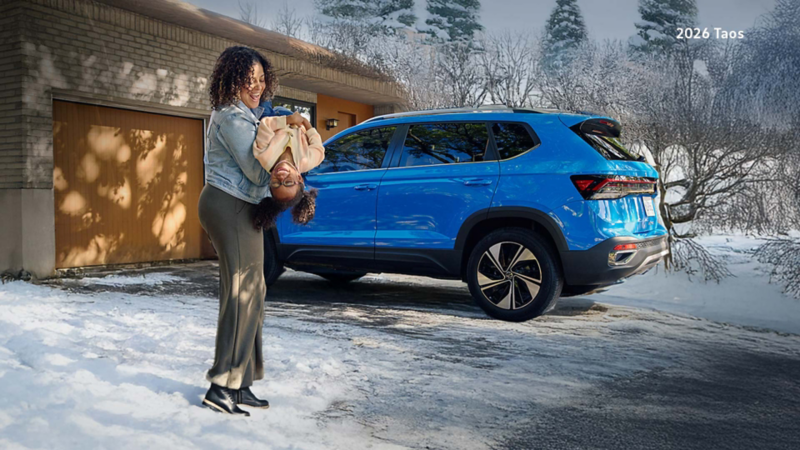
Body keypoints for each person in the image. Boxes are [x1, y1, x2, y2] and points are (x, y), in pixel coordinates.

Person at [198, 45, 310, 416]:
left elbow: (270, 158)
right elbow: (256, 169)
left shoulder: (249, 115)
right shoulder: (230, 116)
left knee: (255, 290)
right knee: (241, 292)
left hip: (244, 207)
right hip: (228, 204)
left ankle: (242, 382)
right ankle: (222, 385)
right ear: (232, 80)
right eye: (249, 80)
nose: (256, 86)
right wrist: (287, 163)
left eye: (261, 79)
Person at [250, 110, 324, 230]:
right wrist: (305, 122)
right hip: (298, 122)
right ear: (299, 178)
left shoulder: (264, 156)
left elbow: (266, 125)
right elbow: (319, 149)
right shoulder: (307, 160)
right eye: (288, 182)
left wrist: (289, 120)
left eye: (275, 183)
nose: (281, 178)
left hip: (274, 117)